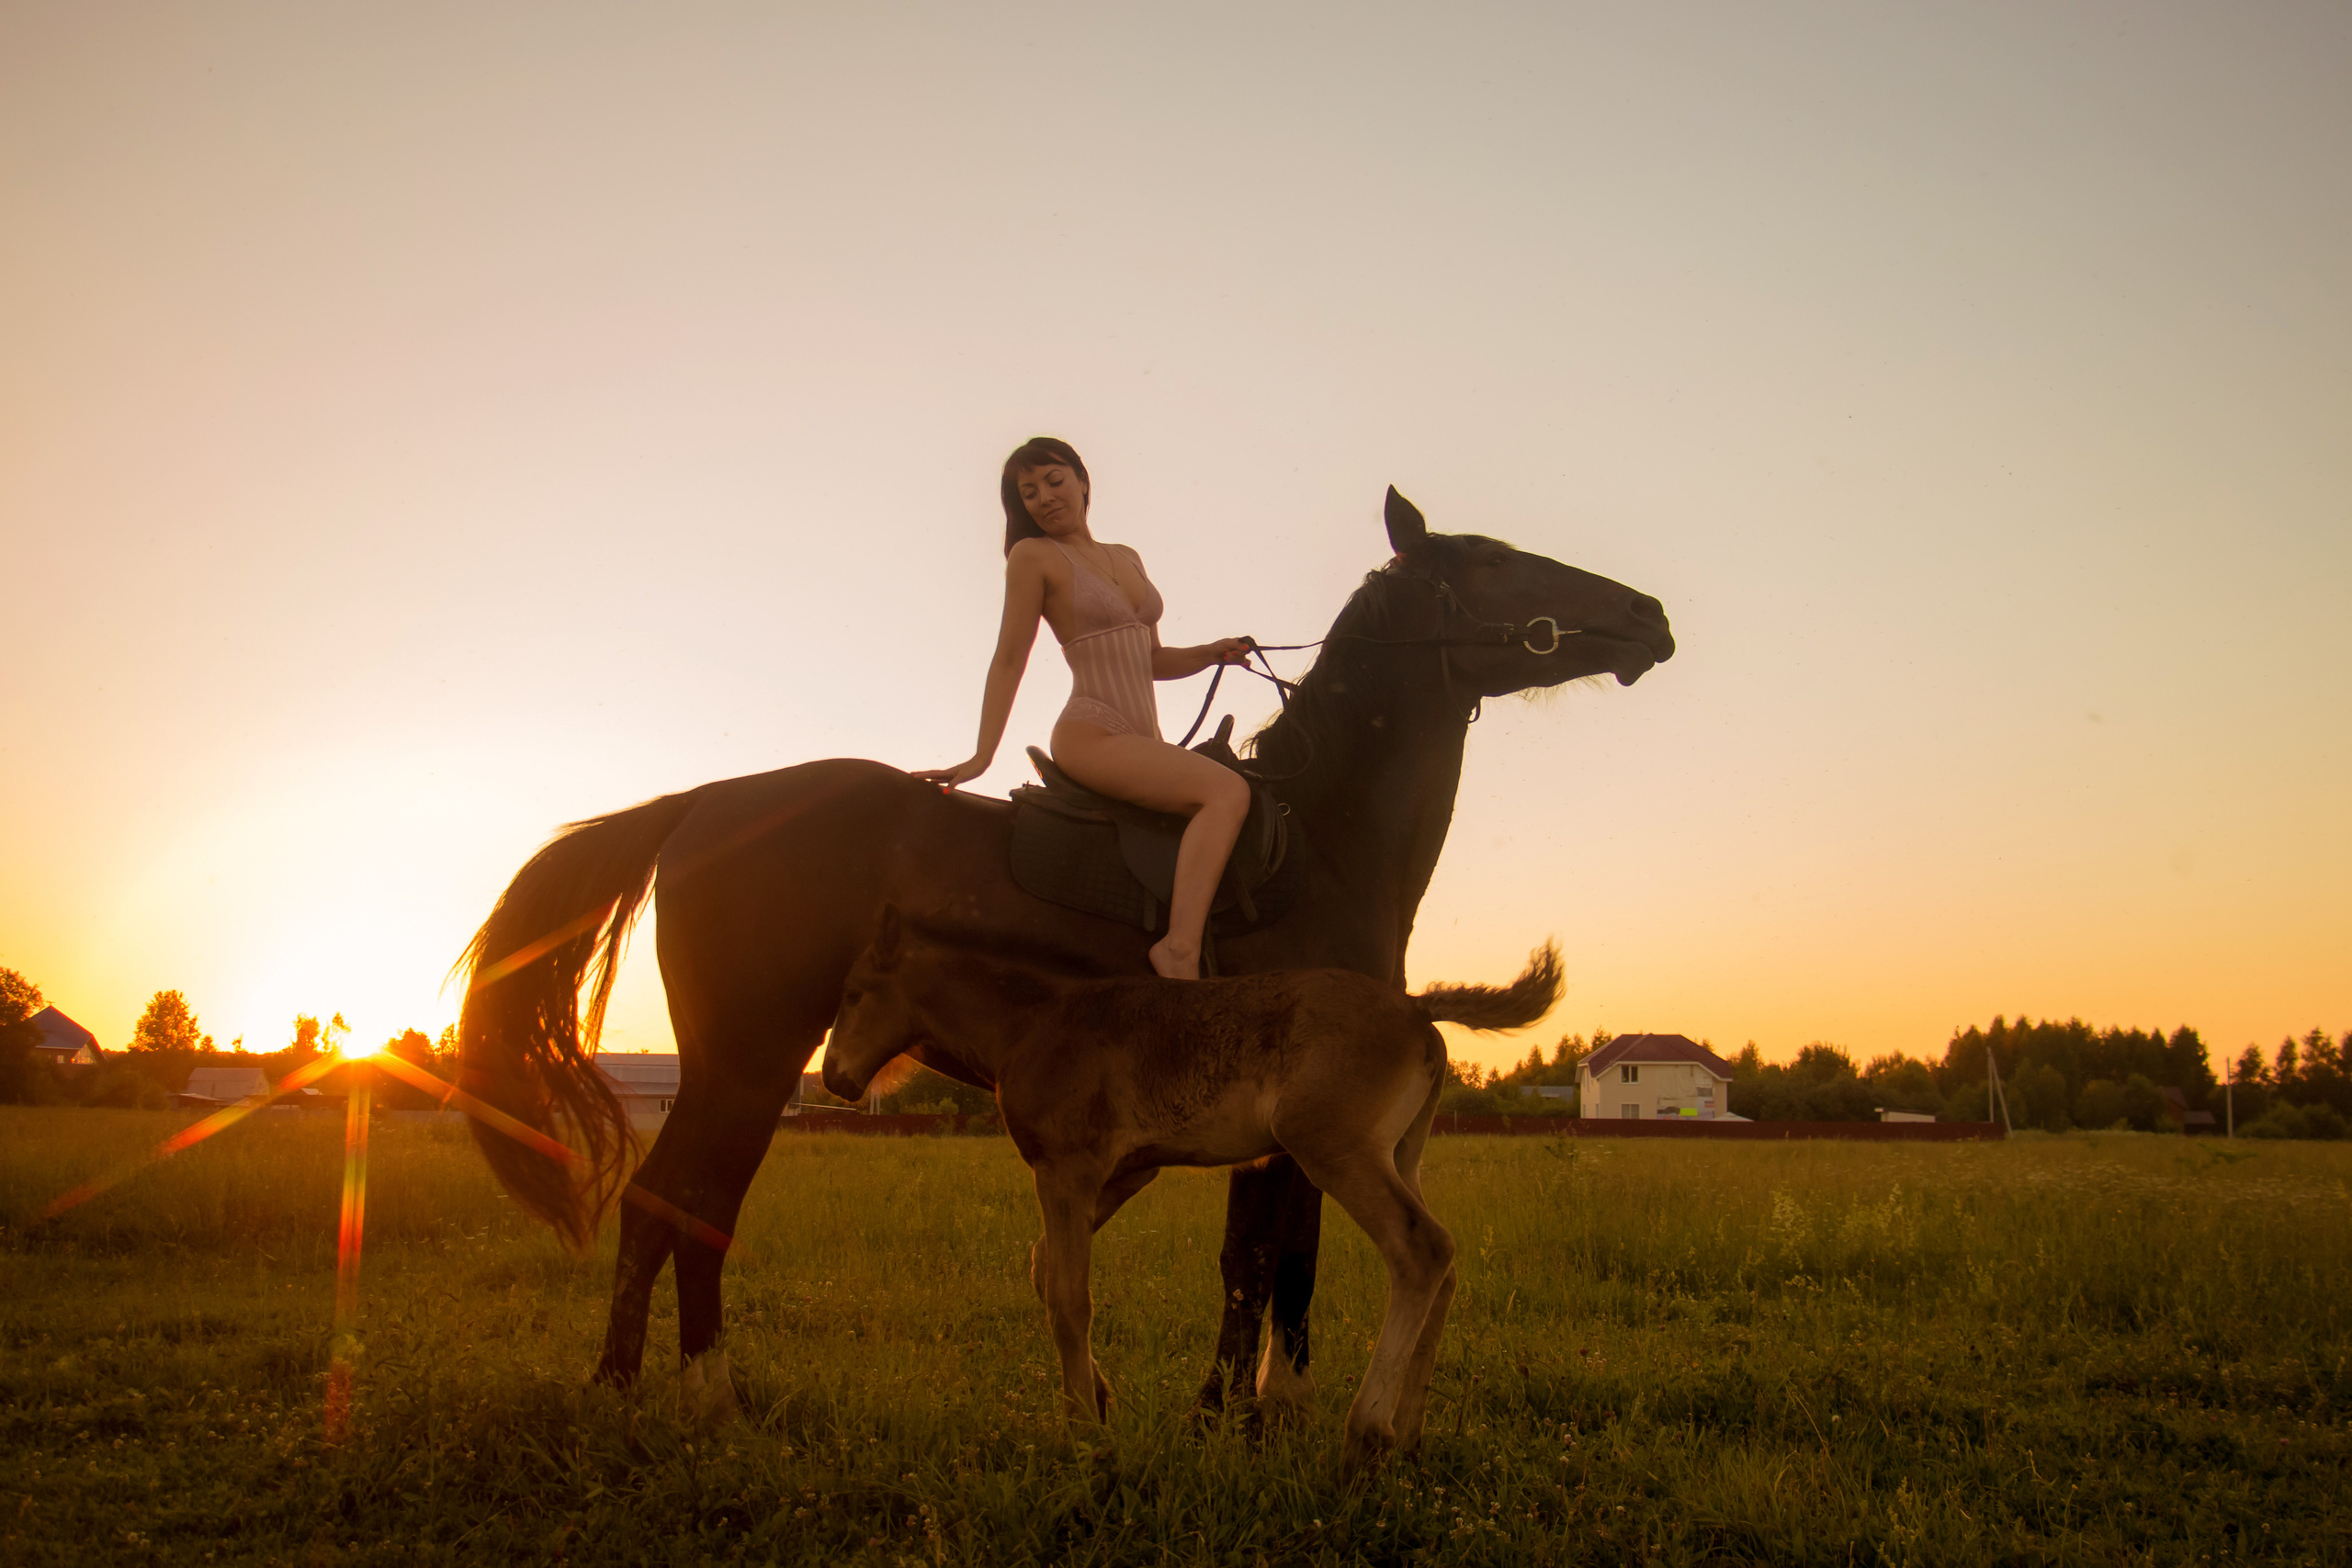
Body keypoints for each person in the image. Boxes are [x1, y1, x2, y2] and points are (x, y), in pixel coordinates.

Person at [914, 437, 1251, 980]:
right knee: (1227, 791)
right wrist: (981, 757)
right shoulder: (1034, 557)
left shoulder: (1129, 557)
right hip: (1092, 731)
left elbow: (1151, 659)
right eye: (1028, 493)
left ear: (1082, 481)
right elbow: (1008, 659)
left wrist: (1214, 652)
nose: (1044, 498)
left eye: (1053, 480)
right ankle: (1178, 952)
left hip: (1145, 739)